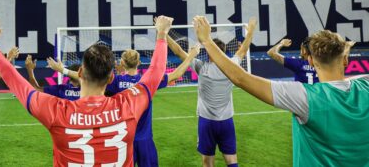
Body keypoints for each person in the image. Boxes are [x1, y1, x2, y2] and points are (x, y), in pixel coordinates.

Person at [0, 14, 198, 165]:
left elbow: (17, 82)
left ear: (81, 72)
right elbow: (155, 72)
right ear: (112, 76)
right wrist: (161, 34)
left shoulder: (57, 111)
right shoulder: (129, 104)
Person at [192, 16, 367, 167]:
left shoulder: (304, 97)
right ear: (346, 59)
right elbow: (349, 82)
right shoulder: (365, 85)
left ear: (311, 61)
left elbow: (241, 78)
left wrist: (207, 41)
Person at [166, 18, 257, 167]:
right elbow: (243, 49)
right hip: (227, 121)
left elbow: (178, 51)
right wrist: (251, 32)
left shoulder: (201, 67)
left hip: (207, 122)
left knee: (207, 163)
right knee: (232, 160)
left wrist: (164, 34)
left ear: (209, 52)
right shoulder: (232, 66)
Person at [106, 48, 199, 167]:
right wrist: (190, 56)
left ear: (122, 63)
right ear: (139, 63)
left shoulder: (116, 81)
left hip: (124, 139)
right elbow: (177, 74)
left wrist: (118, 73)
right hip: (145, 139)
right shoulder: (148, 81)